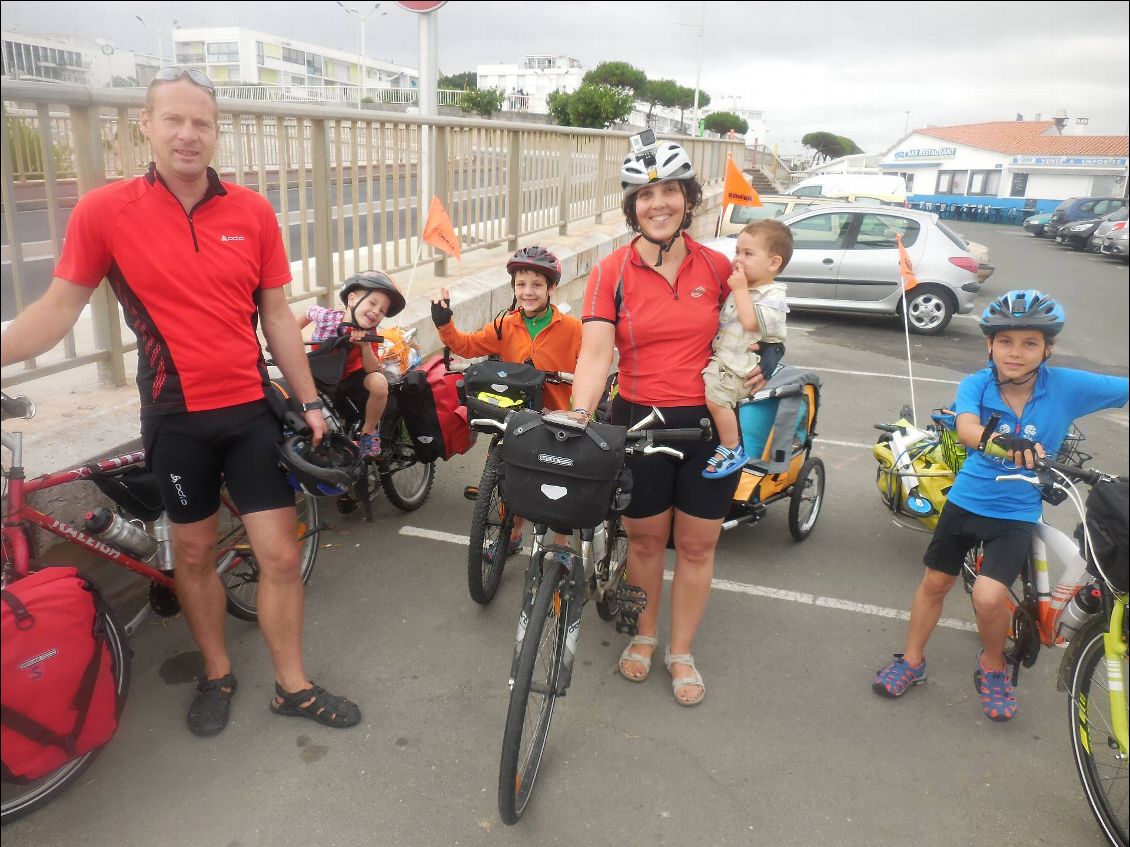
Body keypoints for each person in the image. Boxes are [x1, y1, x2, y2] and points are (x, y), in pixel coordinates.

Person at [0, 68, 361, 736]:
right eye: (174, 120)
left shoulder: (251, 211)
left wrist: (311, 403)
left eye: (202, 123)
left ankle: (293, 684)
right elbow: (54, 312)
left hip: (252, 410)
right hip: (173, 417)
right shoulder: (105, 212)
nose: (188, 135)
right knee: (192, 555)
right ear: (145, 124)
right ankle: (218, 669)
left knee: (280, 556)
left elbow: (277, 314)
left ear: (216, 132)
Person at [568, 138, 766, 707]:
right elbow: (596, 353)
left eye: (670, 191)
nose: (659, 204)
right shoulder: (611, 272)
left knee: (699, 547)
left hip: (709, 426)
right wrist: (581, 417)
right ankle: (645, 635)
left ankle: (681, 651)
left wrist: (760, 371)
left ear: (688, 199)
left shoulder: (720, 266)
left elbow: (753, 331)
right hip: (638, 422)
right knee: (647, 541)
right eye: (646, 194)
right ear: (632, 206)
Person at [872, 290, 1128, 721]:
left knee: (989, 598)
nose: (1016, 353)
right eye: (1005, 341)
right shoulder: (977, 384)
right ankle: (912, 661)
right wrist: (1002, 443)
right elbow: (968, 427)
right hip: (966, 501)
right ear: (989, 344)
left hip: (1016, 511)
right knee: (935, 584)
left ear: (1048, 348)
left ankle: (993, 666)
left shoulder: (1066, 386)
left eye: (1030, 343)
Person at [430, 245, 582, 562]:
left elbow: (589, 369)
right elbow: (466, 345)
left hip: (558, 418)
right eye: (521, 284)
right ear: (513, 288)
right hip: (516, 415)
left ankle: (563, 545)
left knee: (561, 480)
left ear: (552, 288)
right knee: (509, 479)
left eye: (537, 285)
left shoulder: (572, 328)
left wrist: (580, 406)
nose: (528, 292)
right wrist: (444, 322)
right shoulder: (505, 324)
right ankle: (511, 536)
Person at [701, 219, 792, 478]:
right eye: (737, 251)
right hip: (727, 359)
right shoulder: (745, 287)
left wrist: (739, 289)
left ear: (773, 263)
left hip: (739, 366)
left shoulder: (771, 295)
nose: (738, 259)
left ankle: (731, 447)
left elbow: (752, 322)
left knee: (716, 399)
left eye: (748, 254)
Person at [298, 271, 406, 458]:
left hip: (352, 378)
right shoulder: (326, 317)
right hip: (321, 375)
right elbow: (307, 312)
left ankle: (369, 432)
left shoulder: (370, 332)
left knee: (379, 383)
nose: (376, 312)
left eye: (382, 311)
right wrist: (285, 338)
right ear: (352, 299)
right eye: (373, 303)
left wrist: (364, 346)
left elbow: (373, 369)